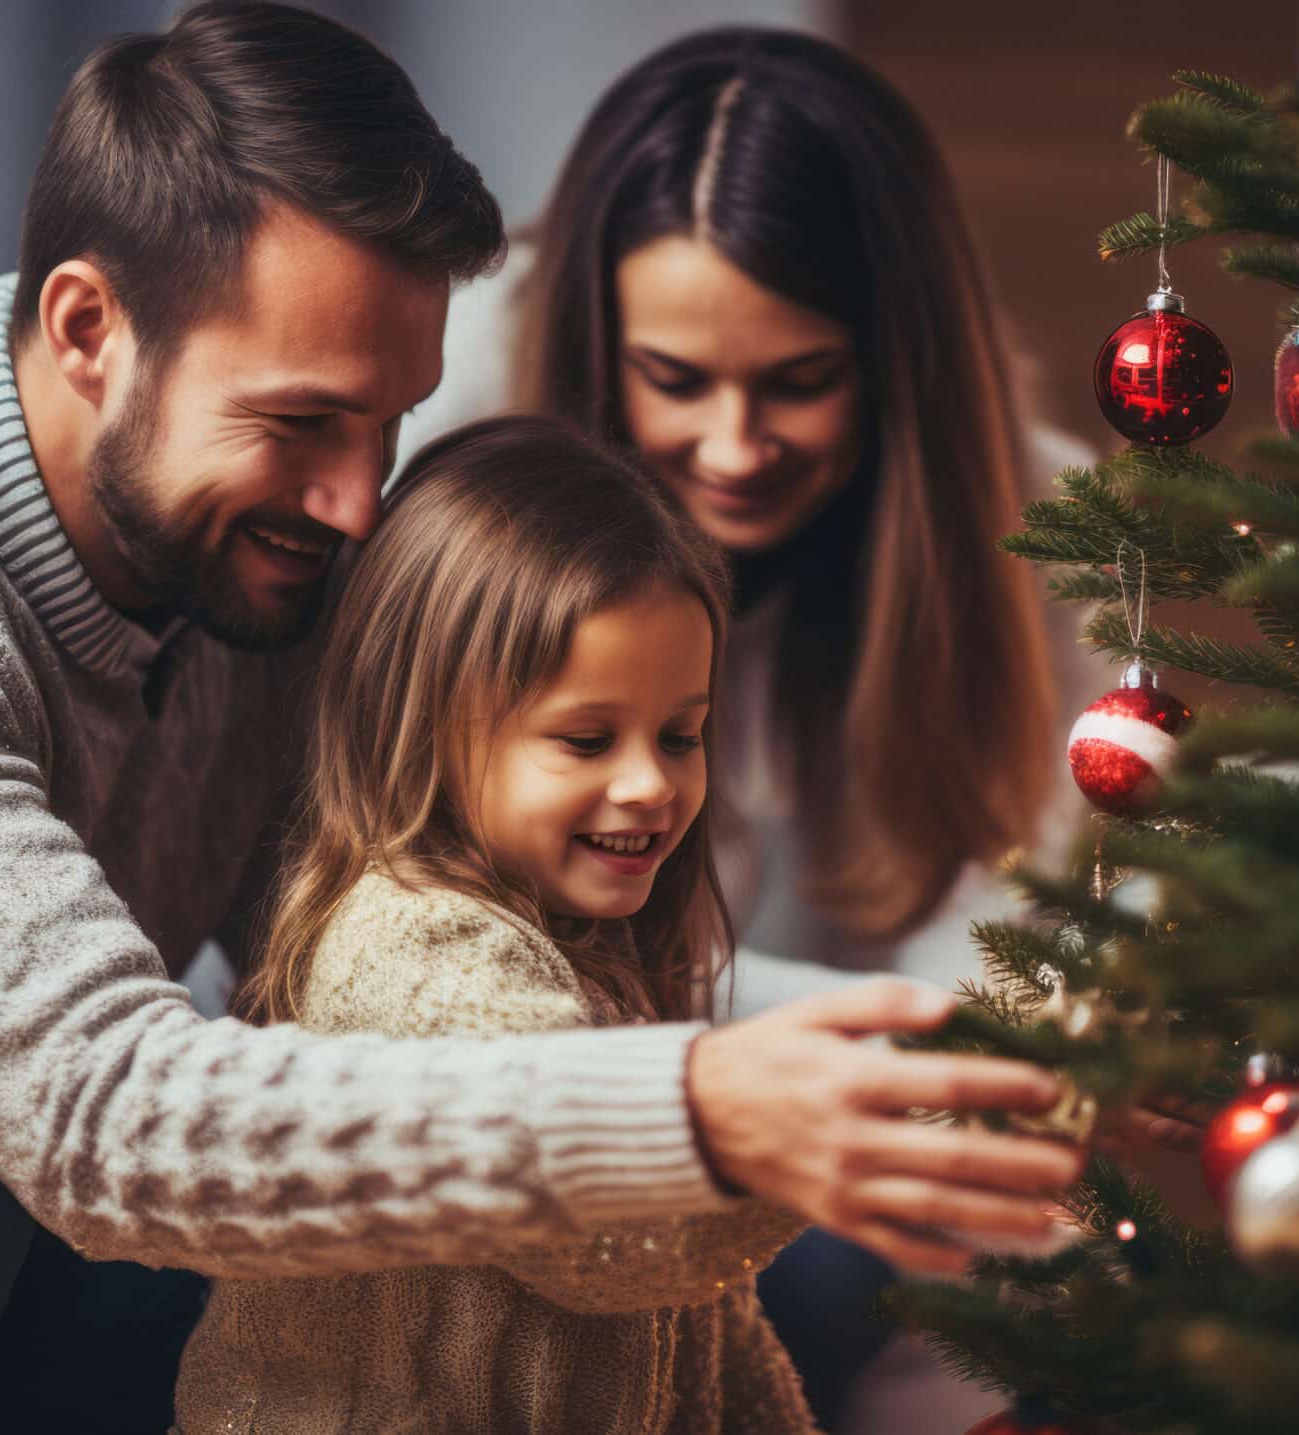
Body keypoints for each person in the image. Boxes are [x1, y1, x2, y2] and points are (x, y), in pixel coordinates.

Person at [0, 8, 1086, 1432]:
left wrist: (954, 1052)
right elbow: (106, 1114)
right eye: (303, 423)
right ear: (88, 328)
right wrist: (688, 1104)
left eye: (388, 424)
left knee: (715, 1286)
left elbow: (445, 925)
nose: (354, 500)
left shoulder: (248, 538)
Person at [394, 28, 1107, 1428]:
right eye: (675, 379)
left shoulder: (1039, 530)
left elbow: (1013, 991)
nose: (732, 446)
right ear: (596, 343)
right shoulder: (452, 429)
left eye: (798, 381)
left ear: (896, 359)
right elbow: (417, 942)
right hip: (526, 1124)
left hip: (864, 1170)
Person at [176, 415, 827, 1434]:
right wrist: (831, 1126)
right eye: (585, 738)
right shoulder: (411, 954)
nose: (651, 782)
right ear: (428, 727)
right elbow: (619, 1233)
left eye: (682, 734)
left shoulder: (597, 949)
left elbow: (710, 1336)